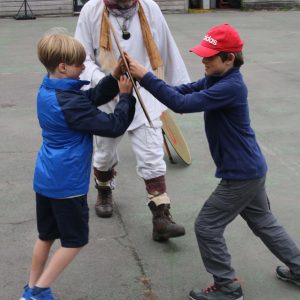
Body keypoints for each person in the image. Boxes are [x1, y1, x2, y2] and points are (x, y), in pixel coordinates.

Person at [127, 23, 300, 300]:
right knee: (263, 222)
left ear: (229, 58)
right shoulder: (216, 78)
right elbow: (182, 92)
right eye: (203, 54)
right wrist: (146, 80)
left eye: (209, 56)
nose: (203, 60)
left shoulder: (231, 86)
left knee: (207, 226)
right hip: (251, 169)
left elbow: (182, 106)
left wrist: (146, 77)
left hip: (241, 174)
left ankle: (228, 288)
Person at [20, 32, 136, 300]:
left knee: (46, 236)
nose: (84, 67)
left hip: (46, 179)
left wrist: (112, 77)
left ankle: (31, 288)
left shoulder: (48, 88)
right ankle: (38, 293)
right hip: (67, 183)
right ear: (63, 67)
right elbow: (114, 125)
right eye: (79, 64)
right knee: (75, 241)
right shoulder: (70, 103)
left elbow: (89, 98)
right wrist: (125, 96)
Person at [75, 0, 190, 242]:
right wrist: (105, 79)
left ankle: (161, 217)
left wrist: (180, 91)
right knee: (104, 154)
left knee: (151, 154)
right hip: (106, 92)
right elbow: (83, 59)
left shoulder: (150, 8)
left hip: (143, 90)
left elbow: (167, 49)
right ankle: (104, 190)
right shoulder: (91, 10)